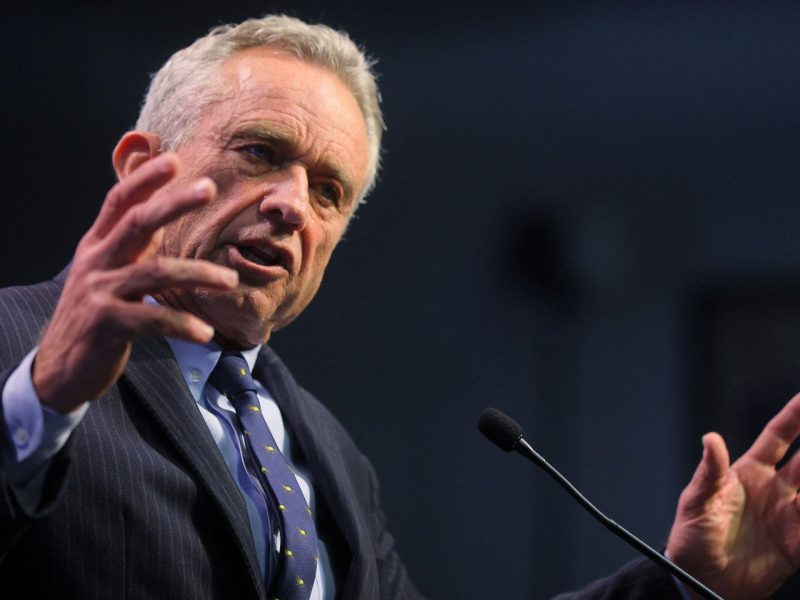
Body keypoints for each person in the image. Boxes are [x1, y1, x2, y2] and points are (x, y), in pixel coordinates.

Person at [0, 13, 799, 600]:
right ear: (143, 164)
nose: (292, 206)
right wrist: (40, 404)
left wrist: (685, 586)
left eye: (329, 191)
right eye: (261, 153)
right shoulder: (13, 347)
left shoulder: (324, 449)